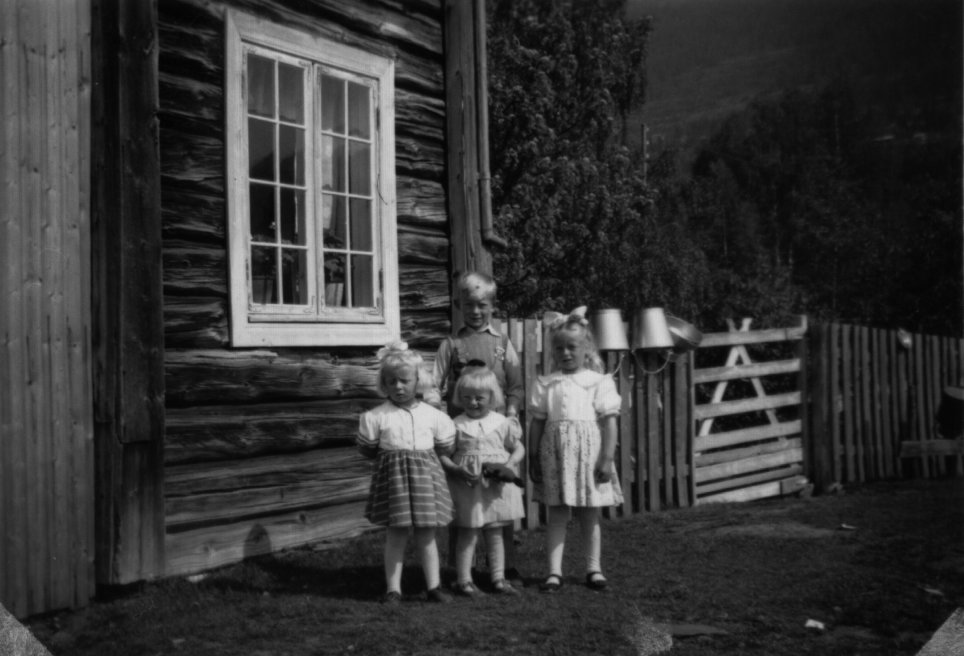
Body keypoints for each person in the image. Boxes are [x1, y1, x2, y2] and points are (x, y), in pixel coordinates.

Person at [433, 271, 525, 584]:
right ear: (459, 305)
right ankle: (462, 570)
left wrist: (510, 414)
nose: (475, 311)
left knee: (499, 501)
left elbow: (515, 385)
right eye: (469, 304)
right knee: (464, 502)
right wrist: (440, 419)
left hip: (497, 434)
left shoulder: (502, 343)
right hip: (462, 436)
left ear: (492, 305)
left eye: (482, 305)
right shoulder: (451, 344)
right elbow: (434, 386)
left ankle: (504, 567)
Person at [528, 307, 623, 593]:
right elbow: (537, 423)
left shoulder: (598, 382)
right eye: (559, 348)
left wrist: (607, 458)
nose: (566, 353)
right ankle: (554, 572)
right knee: (557, 514)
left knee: (589, 515)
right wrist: (533, 457)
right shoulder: (546, 383)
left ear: (586, 348)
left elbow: (610, 422)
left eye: (572, 347)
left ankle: (594, 569)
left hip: (588, 458)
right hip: (555, 457)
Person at [357, 342, 456, 604]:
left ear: (418, 380)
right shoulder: (376, 416)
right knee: (396, 533)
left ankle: (434, 586)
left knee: (426, 534)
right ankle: (393, 589)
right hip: (394, 482)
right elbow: (367, 449)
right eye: (391, 382)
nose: (398, 387)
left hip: (425, 480)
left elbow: (445, 445)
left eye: (404, 381)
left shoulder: (432, 416)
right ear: (384, 383)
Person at [439, 363, 526, 597]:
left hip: (495, 486)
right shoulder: (456, 424)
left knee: (495, 531)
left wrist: (509, 464)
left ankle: (498, 578)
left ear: (492, 396)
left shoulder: (501, 422)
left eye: (479, 398)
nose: (473, 402)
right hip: (467, 485)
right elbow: (443, 455)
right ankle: (464, 580)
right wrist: (456, 469)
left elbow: (518, 448)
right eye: (467, 397)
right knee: (468, 531)